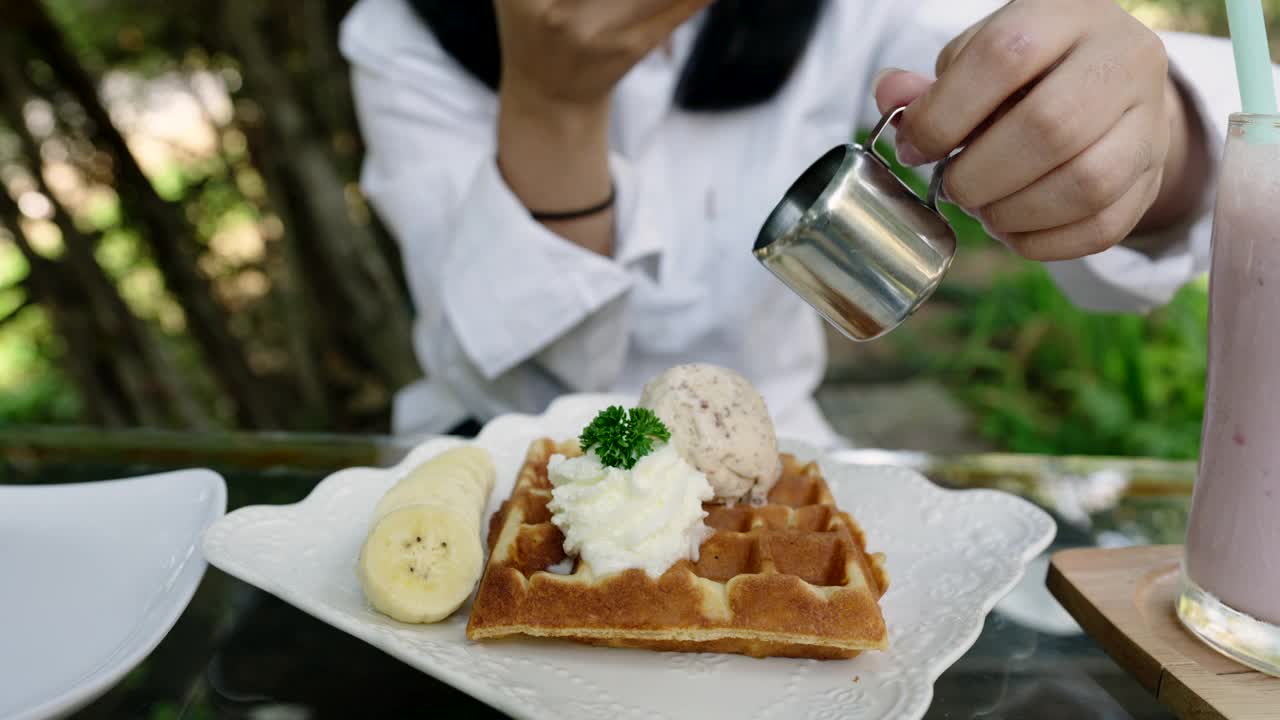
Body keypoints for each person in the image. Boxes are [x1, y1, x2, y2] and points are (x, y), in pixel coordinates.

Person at [338, 0, 1256, 445]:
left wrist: (1152, 134)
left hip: (782, 442)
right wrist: (549, 105)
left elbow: (1047, 62)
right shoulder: (400, 34)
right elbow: (534, 377)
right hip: (503, 449)